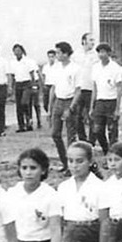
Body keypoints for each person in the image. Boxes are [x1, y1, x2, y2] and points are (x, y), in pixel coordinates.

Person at [50, 41, 79, 173]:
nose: (56, 55)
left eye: (58, 53)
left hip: (69, 100)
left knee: (70, 136)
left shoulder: (75, 68)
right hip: (59, 101)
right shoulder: (56, 68)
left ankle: (72, 166)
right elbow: (53, 87)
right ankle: (65, 162)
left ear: (66, 54)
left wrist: (71, 108)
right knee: (55, 134)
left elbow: (78, 91)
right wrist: (51, 107)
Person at [90, 43, 122, 154]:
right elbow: (94, 88)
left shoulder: (115, 68)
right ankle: (105, 150)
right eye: (99, 52)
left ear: (109, 53)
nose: (101, 55)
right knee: (97, 130)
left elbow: (119, 89)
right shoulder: (95, 67)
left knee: (112, 131)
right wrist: (91, 107)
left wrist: (117, 109)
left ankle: (112, 154)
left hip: (111, 102)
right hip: (100, 102)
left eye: (103, 52)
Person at [9, 44, 38, 133]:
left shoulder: (28, 61)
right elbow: (12, 76)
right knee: (18, 106)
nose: (17, 52)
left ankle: (29, 121)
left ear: (22, 51)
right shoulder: (12, 63)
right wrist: (10, 87)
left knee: (25, 103)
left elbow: (32, 74)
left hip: (27, 83)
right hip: (18, 84)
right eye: (15, 51)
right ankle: (21, 125)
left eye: (18, 50)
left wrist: (34, 86)